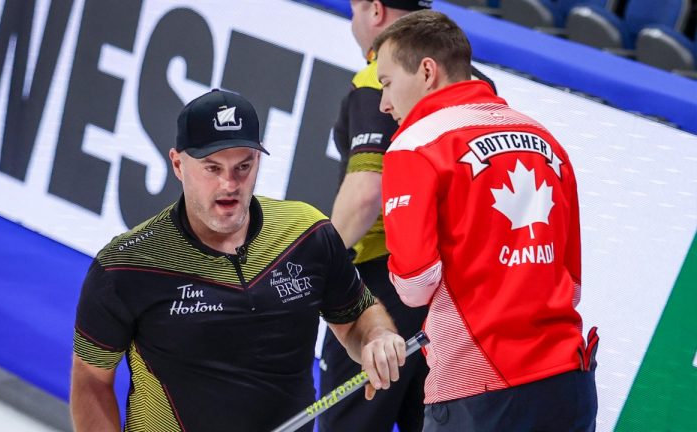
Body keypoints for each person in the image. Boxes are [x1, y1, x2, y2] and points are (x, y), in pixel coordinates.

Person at [69, 89, 407, 432]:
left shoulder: (306, 234)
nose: (229, 184)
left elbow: (355, 318)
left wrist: (377, 337)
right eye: (212, 168)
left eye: (243, 166)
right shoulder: (125, 266)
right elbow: (92, 380)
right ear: (177, 164)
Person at [374, 10, 598, 431]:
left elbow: (415, 285)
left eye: (386, 83)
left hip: (479, 388)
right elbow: (572, 283)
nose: (384, 104)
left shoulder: (414, 145)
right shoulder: (544, 137)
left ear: (426, 71)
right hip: (569, 380)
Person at [320, 1, 496, 431]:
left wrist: (315, 266)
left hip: (384, 287)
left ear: (375, 10)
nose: (385, 101)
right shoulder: (478, 83)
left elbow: (366, 194)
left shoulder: (371, 82)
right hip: (456, 300)